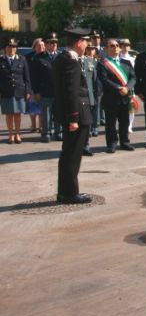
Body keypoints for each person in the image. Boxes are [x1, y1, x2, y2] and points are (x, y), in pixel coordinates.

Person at [53, 28, 93, 204]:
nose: (87, 44)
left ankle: (64, 192)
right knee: (72, 156)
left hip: (73, 113)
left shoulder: (63, 58)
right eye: (85, 41)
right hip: (77, 114)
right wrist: (74, 118)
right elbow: (71, 92)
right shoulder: (71, 61)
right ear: (78, 42)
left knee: (67, 154)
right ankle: (70, 194)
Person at [97, 39, 136, 153]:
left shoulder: (126, 63)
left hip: (125, 97)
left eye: (117, 45)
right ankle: (112, 143)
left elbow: (133, 77)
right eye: (112, 46)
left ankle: (125, 142)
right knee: (111, 123)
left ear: (120, 48)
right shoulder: (103, 64)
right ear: (107, 49)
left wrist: (127, 88)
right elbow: (104, 80)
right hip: (111, 97)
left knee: (124, 121)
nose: (115, 48)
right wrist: (119, 88)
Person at [30, 32, 61, 142]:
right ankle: (46, 133)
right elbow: (34, 77)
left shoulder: (61, 56)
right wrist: (37, 91)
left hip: (58, 91)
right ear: (46, 44)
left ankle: (58, 132)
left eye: (55, 42)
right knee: (46, 114)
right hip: (45, 91)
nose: (54, 44)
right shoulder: (38, 58)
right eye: (51, 42)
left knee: (58, 113)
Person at [0, 38, 32, 144]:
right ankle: (10, 135)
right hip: (6, 92)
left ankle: (18, 134)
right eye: (9, 46)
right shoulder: (1, 60)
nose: (11, 49)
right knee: (9, 114)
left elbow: (26, 77)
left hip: (19, 91)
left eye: (13, 47)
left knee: (18, 114)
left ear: (16, 49)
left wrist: (28, 91)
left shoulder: (22, 59)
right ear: (5, 48)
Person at [80, 43, 99, 156]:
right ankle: (80, 145)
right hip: (81, 96)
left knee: (88, 122)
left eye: (92, 49)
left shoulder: (95, 61)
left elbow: (98, 79)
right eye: (89, 49)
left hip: (91, 96)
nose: (91, 51)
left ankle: (86, 145)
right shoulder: (79, 60)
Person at [25, 38, 44, 134]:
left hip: (43, 86)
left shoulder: (45, 56)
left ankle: (41, 126)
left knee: (41, 108)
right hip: (32, 86)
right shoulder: (28, 57)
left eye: (42, 45)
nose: (41, 47)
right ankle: (33, 125)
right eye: (39, 45)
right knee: (32, 107)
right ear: (34, 46)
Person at [118, 39, 136, 135]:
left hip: (130, 86)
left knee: (131, 108)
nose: (126, 47)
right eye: (123, 45)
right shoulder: (118, 58)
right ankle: (123, 126)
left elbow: (135, 74)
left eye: (128, 45)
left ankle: (129, 126)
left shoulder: (133, 58)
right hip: (120, 87)